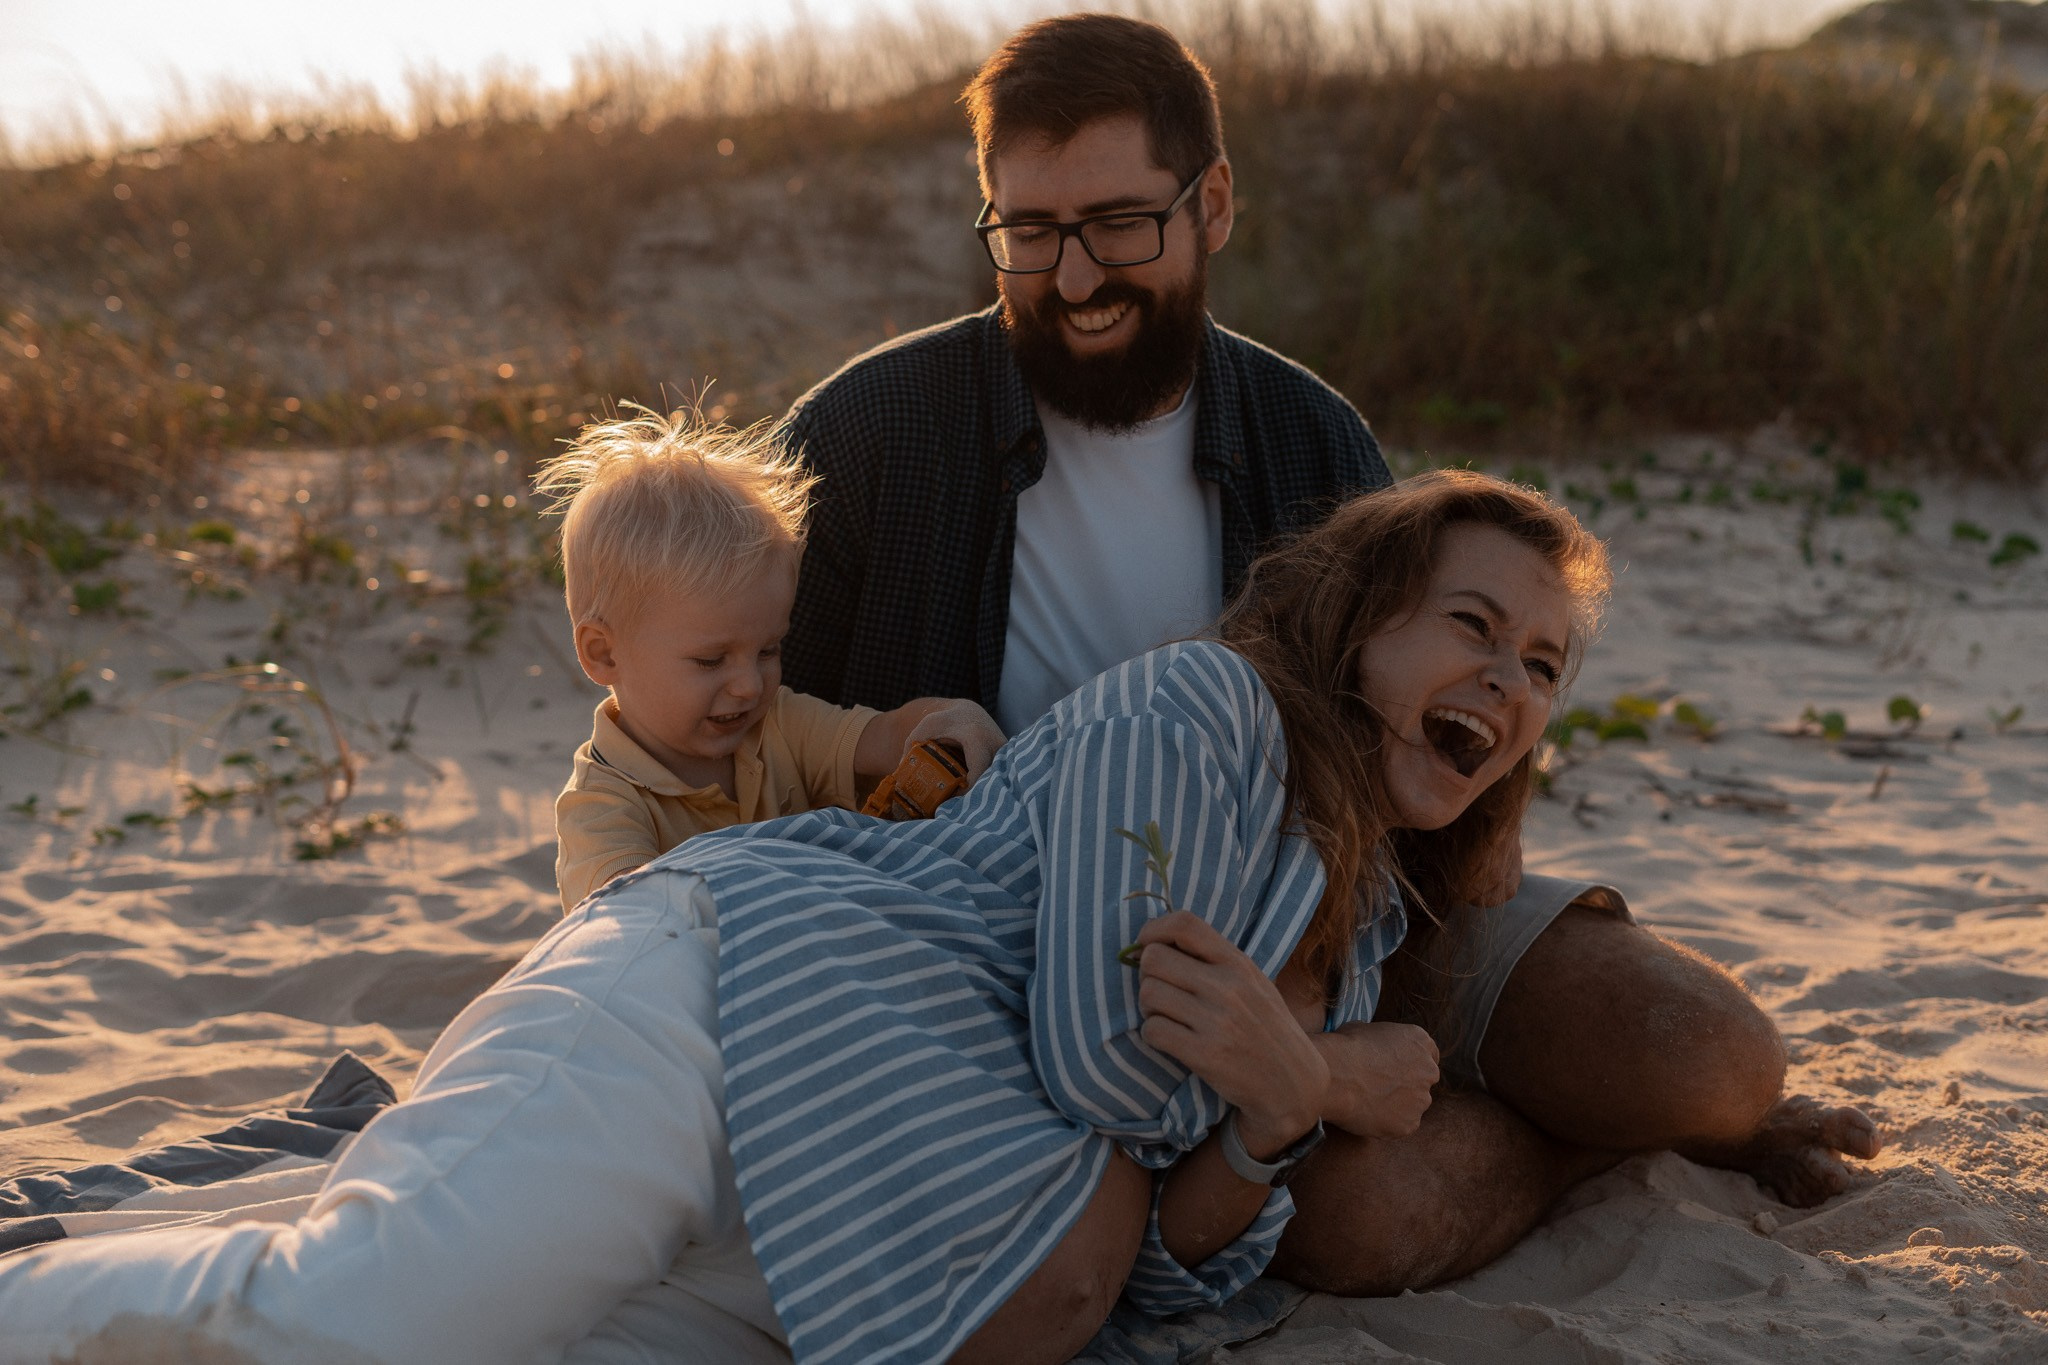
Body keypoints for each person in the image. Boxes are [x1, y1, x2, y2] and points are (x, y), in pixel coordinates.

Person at [0, 471, 1606, 1365]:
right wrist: (1311, 1087)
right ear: (1360, 619)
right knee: (344, 1336)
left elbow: (1185, 1267)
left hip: (844, 1248)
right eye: (1472, 623)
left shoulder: (1364, 928)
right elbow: (1101, 1064)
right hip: (724, 1001)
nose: (1505, 680)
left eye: (1543, 666)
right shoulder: (1197, 712)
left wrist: (1264, 1118)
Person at [772, 11, 1880, 1299]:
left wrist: (1365, 978)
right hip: (1048, 966)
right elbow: (736, 731)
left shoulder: (1309, 439)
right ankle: (1570, 1151)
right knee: (1347, 1221)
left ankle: (1586, 1108)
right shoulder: (864, 440)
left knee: (1703, 1056)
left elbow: (1431, 719)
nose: (1073, 277)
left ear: (1214, 203)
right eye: (1028, 233)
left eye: (1120, 223)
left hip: (1347, 905)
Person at [535, 408, 1004, 912]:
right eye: (711, 660)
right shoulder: (601, 808)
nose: (749, 685)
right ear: (604, 654)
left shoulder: (779, 726)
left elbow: (888, 736)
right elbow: (634, 922)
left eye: (768, 649)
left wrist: (951, 720)